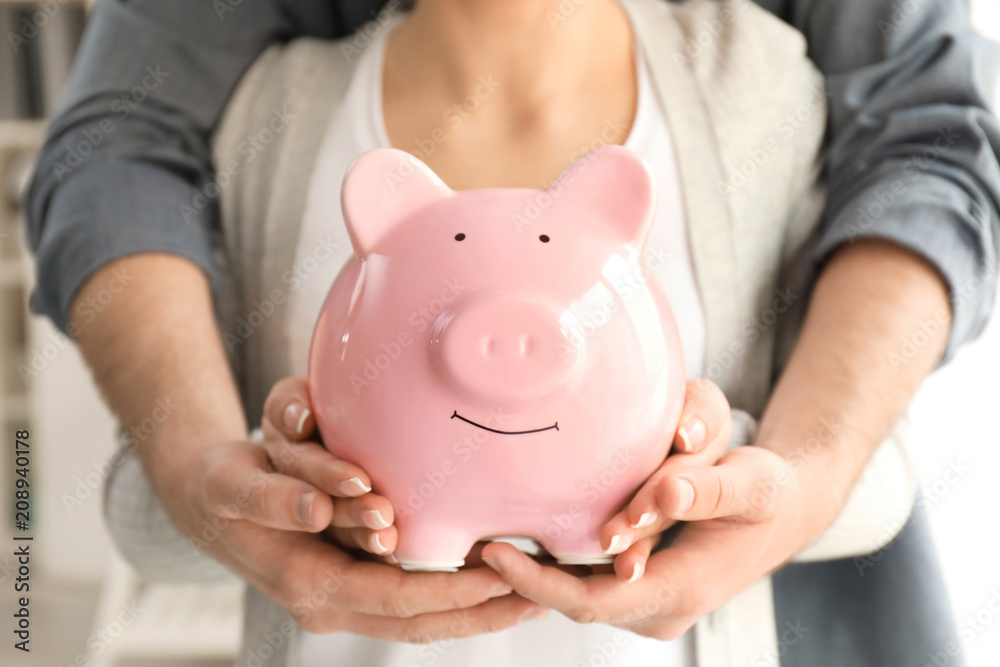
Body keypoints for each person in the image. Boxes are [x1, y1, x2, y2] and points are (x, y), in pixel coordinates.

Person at [24, 0, 1000, 666]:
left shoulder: (760, 85)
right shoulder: (274, 114)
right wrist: (212, 474)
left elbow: (930, 148)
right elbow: (119, 158)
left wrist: (786, 471)